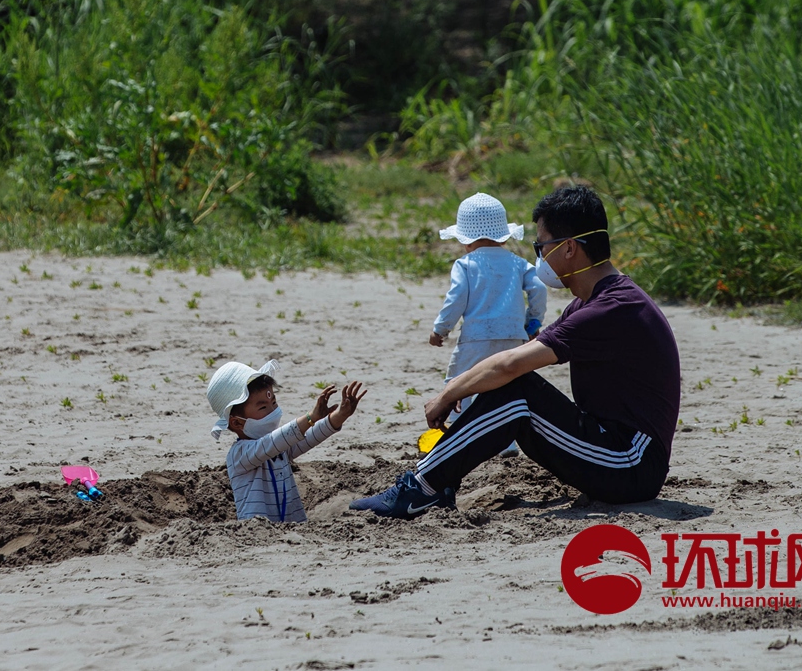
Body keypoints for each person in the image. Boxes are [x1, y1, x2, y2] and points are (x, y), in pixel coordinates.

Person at [350, 185, 680, 518]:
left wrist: (449, 392)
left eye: (541, 246)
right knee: (513, 388)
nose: (539, 256)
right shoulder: (595, 301)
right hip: (614, 451)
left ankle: (421, 488)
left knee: (517, 392)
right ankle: (431, 483)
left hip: (630, 464)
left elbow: (510, 365)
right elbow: (516, 361)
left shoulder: (612, 307)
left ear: (568, 249)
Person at [430, 193, 547, 439]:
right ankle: (509, 442)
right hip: (514, 339)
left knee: (458, 385)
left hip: (476, 338)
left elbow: (456, 299)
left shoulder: (465, 264)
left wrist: (441, 329)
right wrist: (533, 321)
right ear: (503, 235)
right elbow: (539, 287)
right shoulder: (517, 263)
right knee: (507, 387)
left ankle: (452, 435)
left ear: (466, 239)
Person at [207, 359, 366, 522]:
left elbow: (309, 437)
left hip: (293, 533)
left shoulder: (278, 445)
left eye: (274, 402)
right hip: (258, 536)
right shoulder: (239, 454)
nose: (273, 411)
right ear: (237, 422)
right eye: (263, 407)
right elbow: (275, 442)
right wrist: (312, 417)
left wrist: (340, 414)